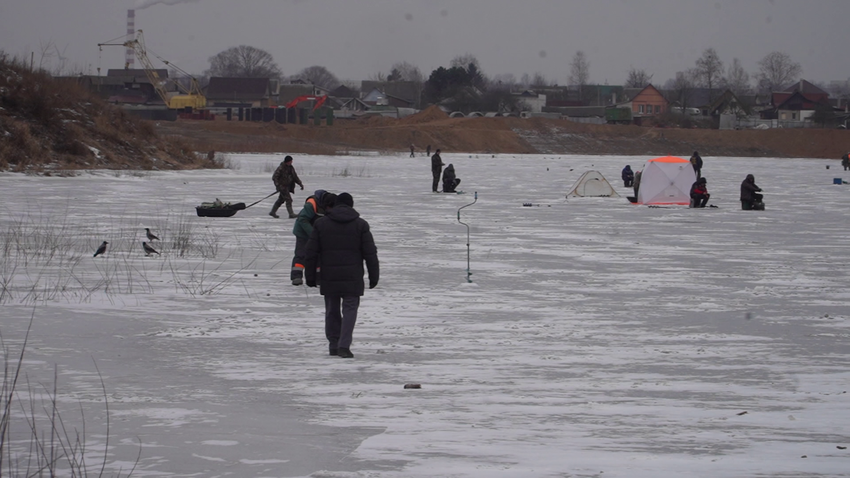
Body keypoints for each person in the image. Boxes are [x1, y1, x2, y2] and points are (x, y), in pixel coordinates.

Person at [305, 192, 379, 358]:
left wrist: (309, 276)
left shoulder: (321, 224)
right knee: (350, 309)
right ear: (351, 206)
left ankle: (333, 344)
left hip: (329, 274)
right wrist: (374, 275)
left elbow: (311, 252)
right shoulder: (361, 225)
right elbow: (370, 253)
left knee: (331, 308)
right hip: (353, 275)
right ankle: (344, 345)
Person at [290, 189, 329, 286]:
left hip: (316, 233)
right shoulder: (311, 204)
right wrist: (313, 234)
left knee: (319, 255)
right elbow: (302, 220)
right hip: (302, 232)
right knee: (301, 254)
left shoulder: (330, 205)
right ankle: (296, 276)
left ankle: (318, 278)